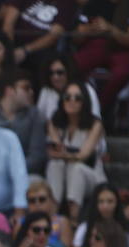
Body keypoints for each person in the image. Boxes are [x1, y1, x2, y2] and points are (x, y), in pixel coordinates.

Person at [45, 80, 106, 221]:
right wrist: (62, 153)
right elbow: (53, 150)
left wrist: (62, 154)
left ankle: (74, 219)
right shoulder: (55, 122)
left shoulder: (95, 124)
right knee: (55, 165)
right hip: (63, 174)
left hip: (91, 175)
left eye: (77, 98)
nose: (72, 101)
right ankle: (52, 216)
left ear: (84, 102)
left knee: (77, 168)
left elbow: (83, 155)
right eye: (67, 97)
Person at [0, 68, 48, 177]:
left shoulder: (34, 115)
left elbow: (37, 157)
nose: (31, 92)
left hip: (26, 174)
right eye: (26, 88)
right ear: (9, 91)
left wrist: (12, 169)